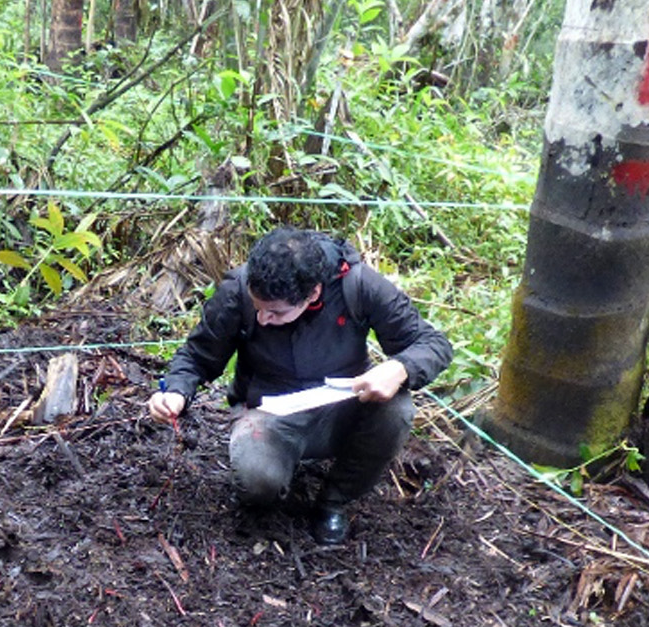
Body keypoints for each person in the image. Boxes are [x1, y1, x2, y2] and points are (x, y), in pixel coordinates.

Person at [148, 226, 452, 544]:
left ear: (313, 294)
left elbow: (433, 343)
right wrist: (176, 391)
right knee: (258, 482)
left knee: (397, 409)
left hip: (344, 403)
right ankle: (274, 487)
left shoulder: (357, 285)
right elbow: (199, 353)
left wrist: (400, 367)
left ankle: (334, 500)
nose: (263, 319)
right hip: (269, 410)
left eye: (276, 312)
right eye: (258, 308)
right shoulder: (238, 288)